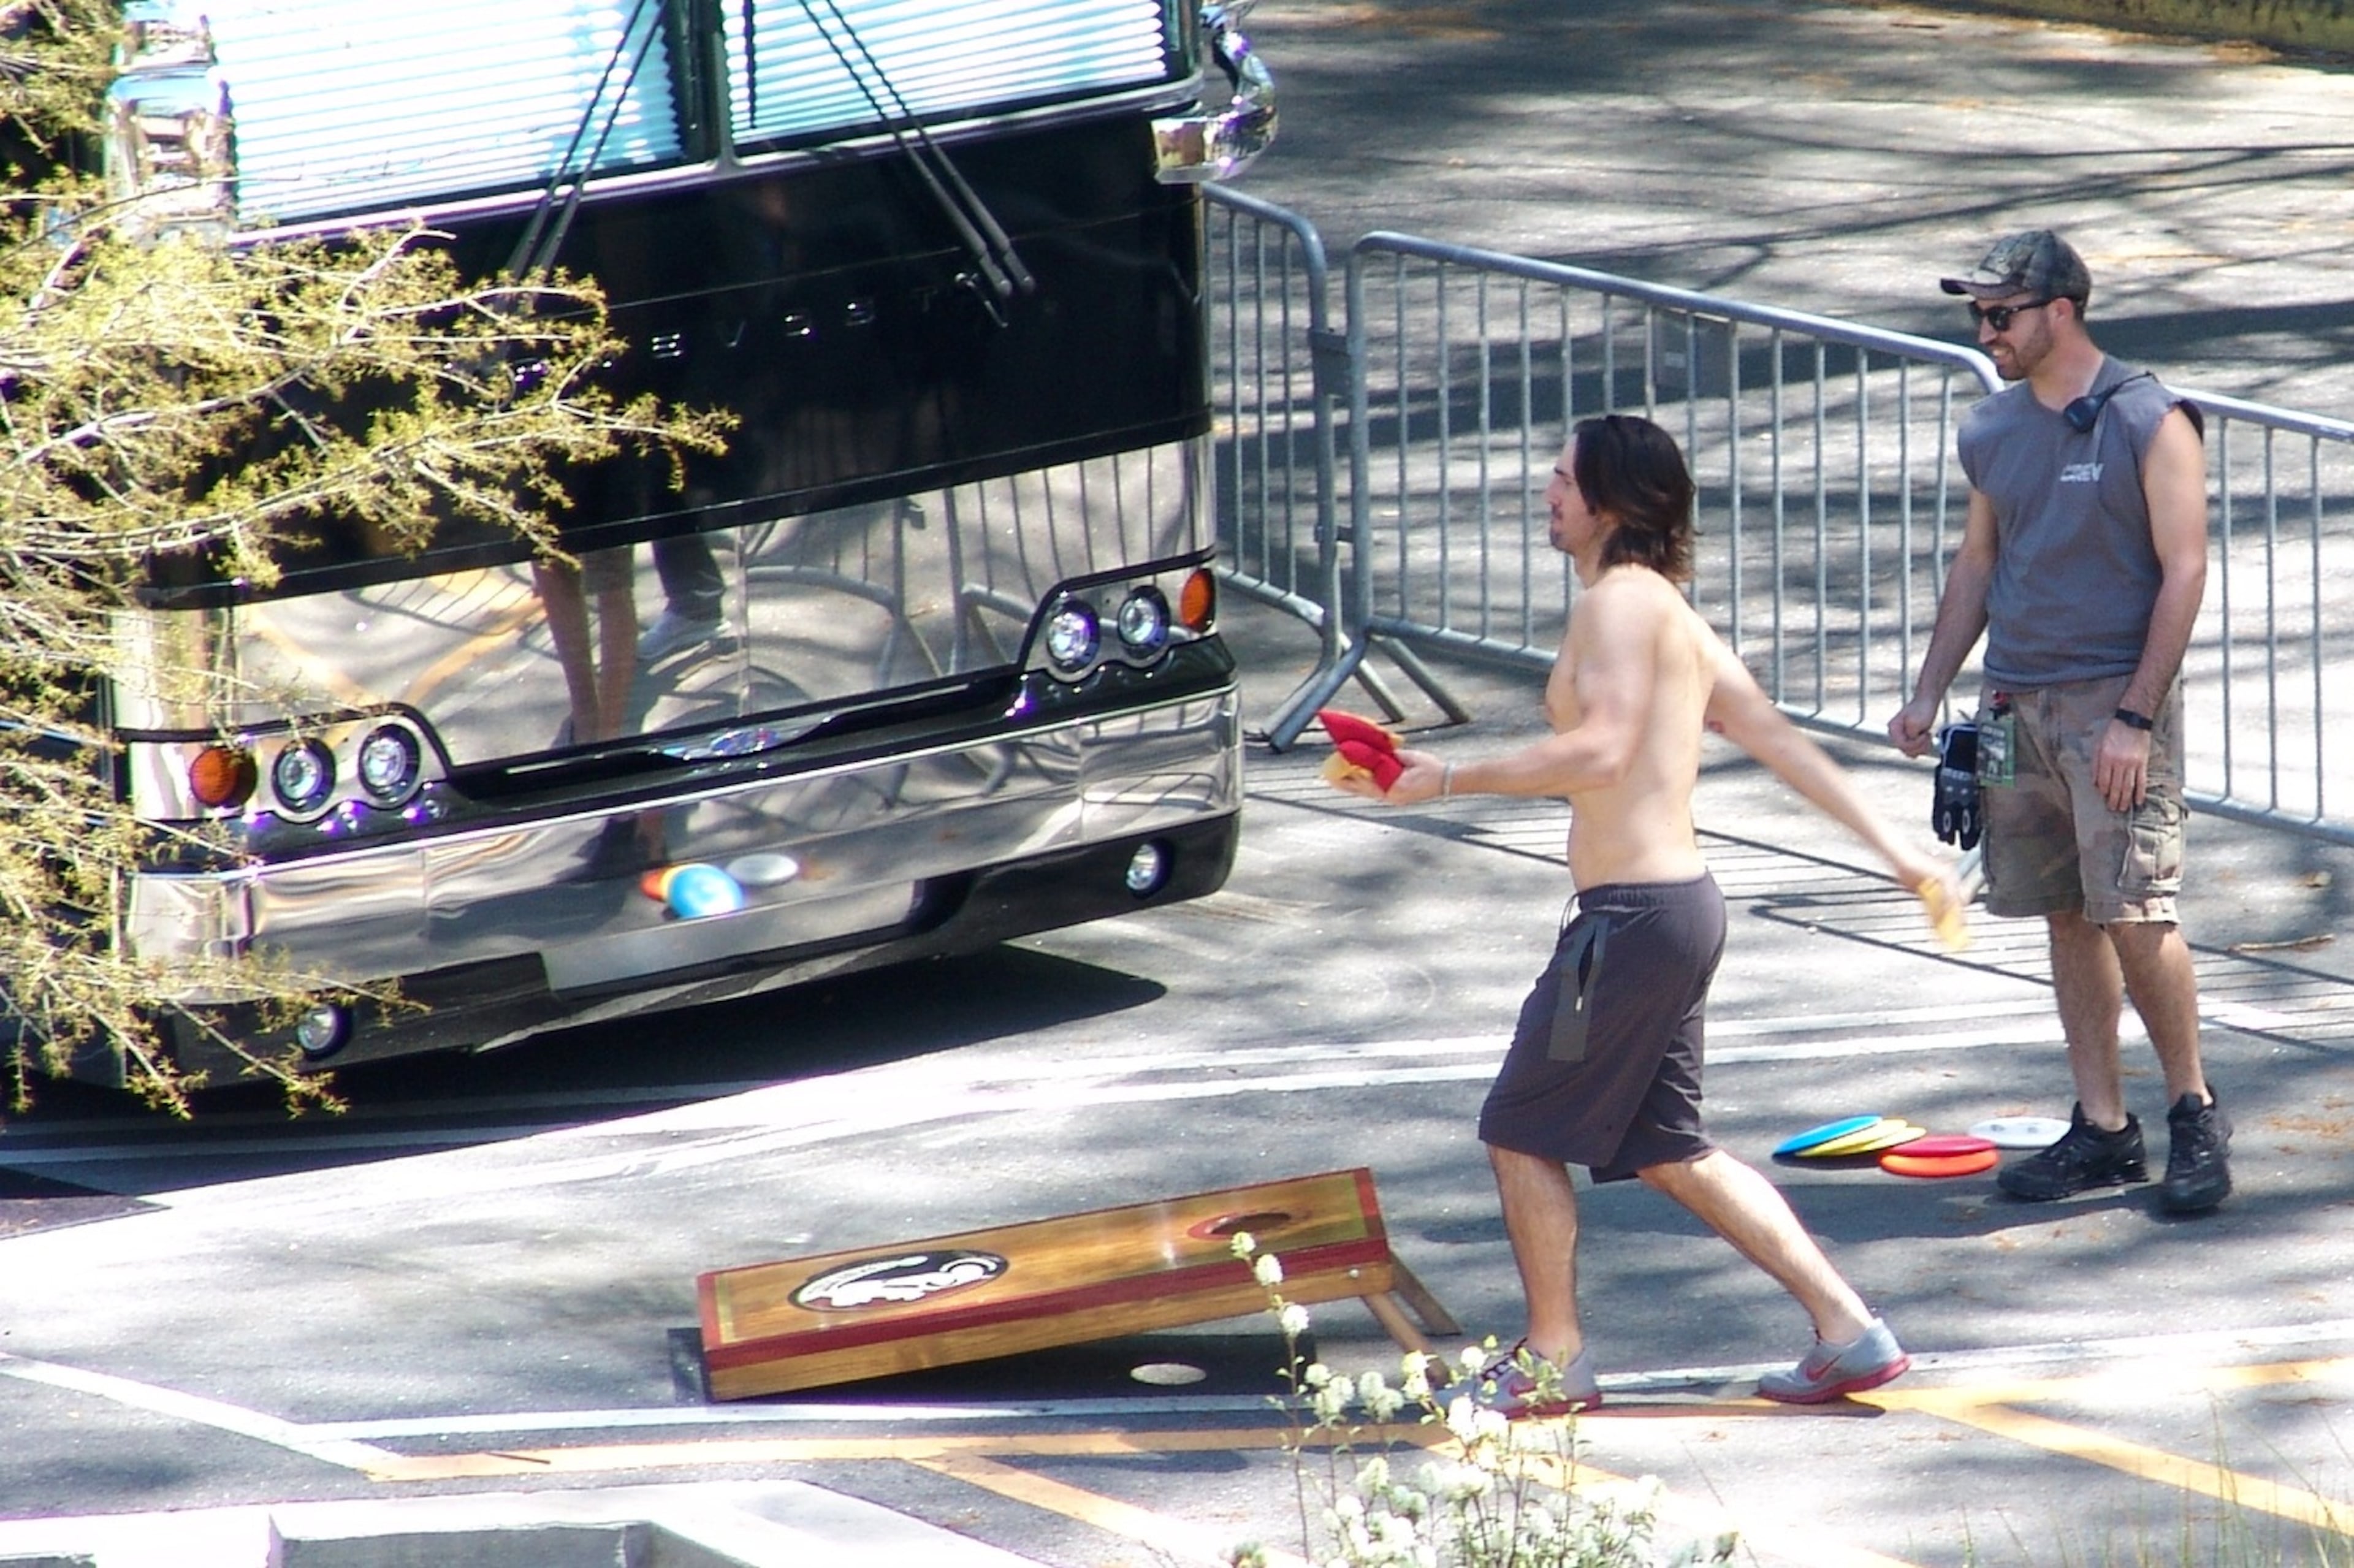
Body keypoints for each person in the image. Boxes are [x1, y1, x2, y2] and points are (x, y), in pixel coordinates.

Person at [1331, 414, 1957, 1409]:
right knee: (1667, 1147)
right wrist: (1898, 853)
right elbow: (1776, 738)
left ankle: (1555, 1358)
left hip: (1624, 926)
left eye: (1565, 477)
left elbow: (1604, 751)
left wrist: (1448, 776)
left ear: (1613, 504)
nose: (1548, 488)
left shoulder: (1620, 604)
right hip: (1669, 913)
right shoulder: (1666, 610)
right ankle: (1851, 1330)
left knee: (1520, 1126)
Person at [1887, 230, 2231, 1216]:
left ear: (2060, 311)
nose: (1985, 331)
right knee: (2067, 913)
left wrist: (2135, 715)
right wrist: (1928, 689)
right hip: (2016, 704)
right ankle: (2104, 1127)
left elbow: (2186, 571)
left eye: (2000, 314)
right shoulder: (1993, 429)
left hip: (2110, 707)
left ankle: (2194, 1109)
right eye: (1978, 316)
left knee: (2137, 910)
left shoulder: (2149, 418)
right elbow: (1979, 565)